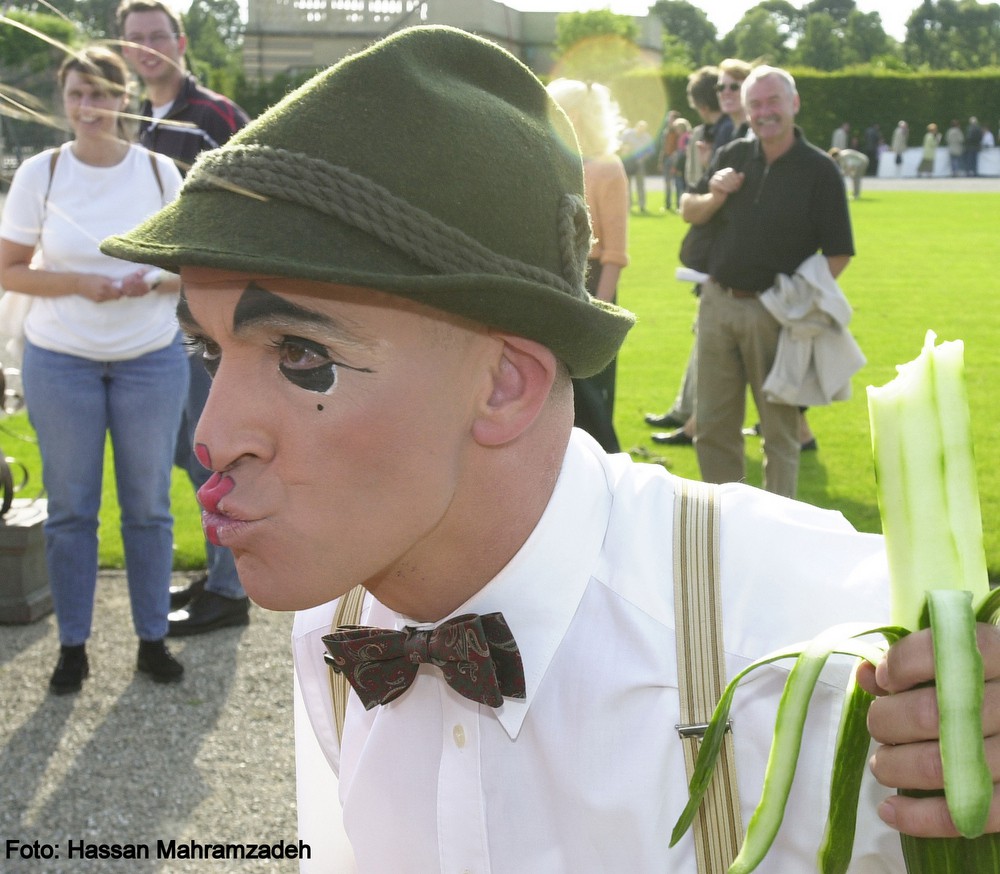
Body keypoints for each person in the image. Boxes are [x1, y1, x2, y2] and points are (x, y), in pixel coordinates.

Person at [102, 27, 1000, 871]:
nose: (210, 436)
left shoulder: (820, 651)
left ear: (504, 384)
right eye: (208, 348)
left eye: (303, 357)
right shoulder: (335, 631)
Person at [0, 47, 185, 693]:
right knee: (72, 510)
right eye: (79, 95)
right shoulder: (41, 173)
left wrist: (150, 281)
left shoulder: (162, 175)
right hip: (63, 360)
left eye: (103, 95)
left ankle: (151, 640)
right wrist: (82, 282)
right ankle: (72, 646)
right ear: (64, 97)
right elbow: (9, 268)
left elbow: (192, 267)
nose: (90, 109)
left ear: (126, 97)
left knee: (150, 509)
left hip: (150, 360)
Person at [117, 0, 252, 635]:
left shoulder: (214, 116)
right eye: (133, 39)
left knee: (210, 450)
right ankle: (224, 569)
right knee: (179, 446)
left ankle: (229, 590)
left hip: (202, 313)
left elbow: (252, 203)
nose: (146, 47)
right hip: (152, 319)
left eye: (156, 36)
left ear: (180, 41)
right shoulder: (135, 119)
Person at [679, 66, 852, 499]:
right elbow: (689, 210)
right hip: (716, 304)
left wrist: (793, 302)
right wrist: (715, 194)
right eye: (755, 104)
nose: (764, 111)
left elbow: (838, 253)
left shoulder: (820, 172)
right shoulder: (733, 153)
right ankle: (724, 527)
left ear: (794, 103)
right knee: (714, 427)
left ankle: (778, 531)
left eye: (773, 101)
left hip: (775, 313)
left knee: (779, 433)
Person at [651, 57, 751, 449]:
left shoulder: (736, 137)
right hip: (720, 255)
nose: (726, 94)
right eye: (723, 88)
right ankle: (689, 416)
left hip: (733, 261)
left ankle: (693, 423)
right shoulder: (727, 134)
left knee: (727, 347)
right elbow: (692, 202)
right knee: (715, 339)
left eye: (733, 87)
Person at [546, 78, 628, 453]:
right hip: (552, 282)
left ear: (574, 116)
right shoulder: (552, 159)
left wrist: (596, 312)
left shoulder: (607, 168)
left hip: (591, 288)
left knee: (590, 398)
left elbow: (614, 254)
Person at [619, 118, 653, 213]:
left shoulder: (646, 137)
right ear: (637, 127)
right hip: (628, 162)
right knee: (627, 184)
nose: (641, 130)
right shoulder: (628, 134)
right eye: (640, 128)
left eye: (643, 129)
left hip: (639, 162)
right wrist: (626, 149)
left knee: (640, 184)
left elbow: (650, 151)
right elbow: (620, 144)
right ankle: (628, 206)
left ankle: (642, 205)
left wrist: (642, 158)